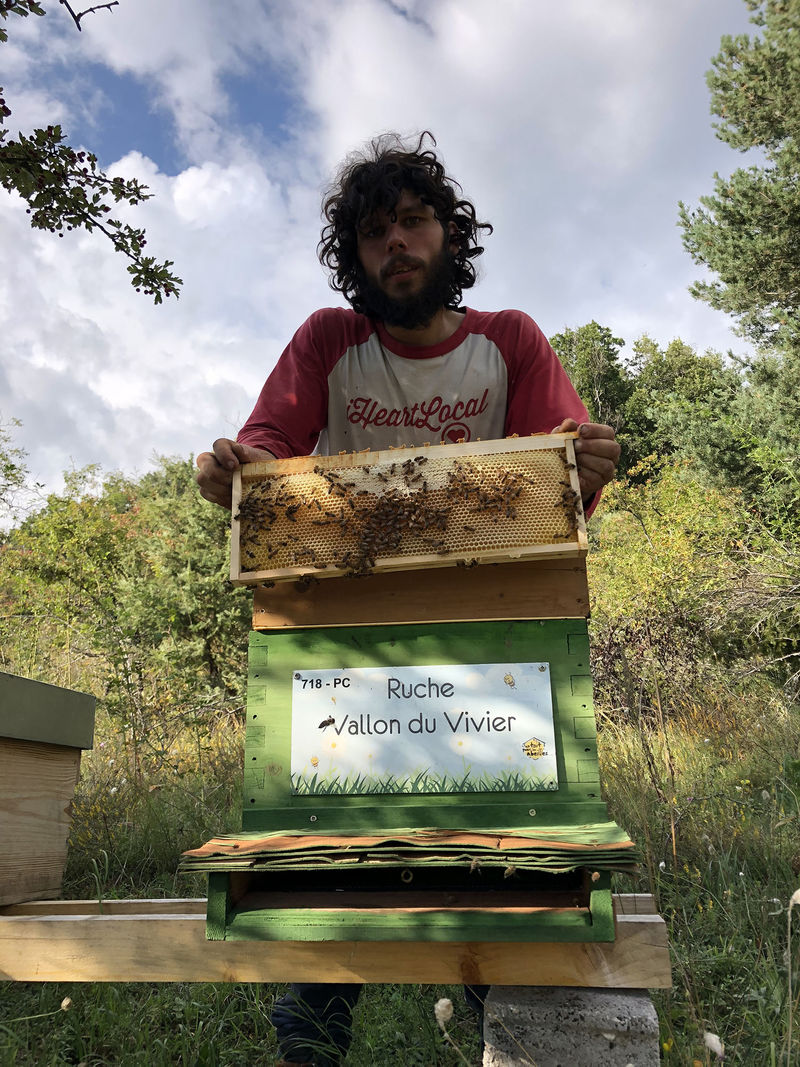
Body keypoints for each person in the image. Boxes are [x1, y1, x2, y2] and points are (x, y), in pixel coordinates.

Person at [197, 132, 620, 1067]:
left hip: (488, 664)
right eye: (375, 229)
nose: (397, 243)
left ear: (449, 235)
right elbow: (262, 455)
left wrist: (587, 462)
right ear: (353, 253)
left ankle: (493, 1029)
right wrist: (229, 472)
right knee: (325, 881)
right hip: (343, 664)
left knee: (496, 871)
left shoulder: (509, 340)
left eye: (414, 222)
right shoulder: (326, 341)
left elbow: (560, 481)